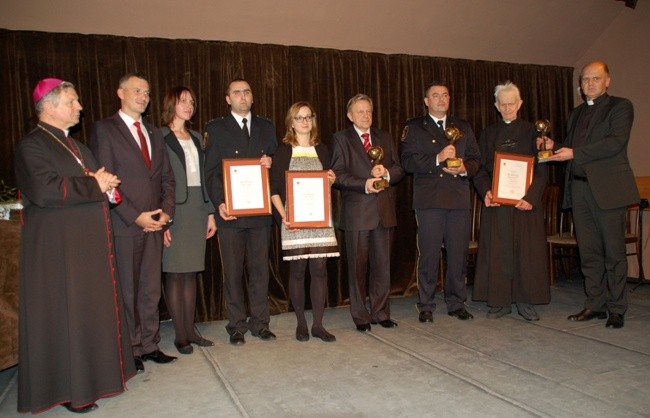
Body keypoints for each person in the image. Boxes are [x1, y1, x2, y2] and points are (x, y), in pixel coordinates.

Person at [15, 78, 135, 413]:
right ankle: (70, 390)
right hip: (59, 252)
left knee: (87, 315)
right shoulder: (32, 146)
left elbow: (98, 183)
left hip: (87, 248)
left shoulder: (78, 147)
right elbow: (46, 190)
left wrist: (109, 188)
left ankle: (98, 378)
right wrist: (95, 184)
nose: (79, 107)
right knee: (67, 317)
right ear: (49, 106)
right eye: (72, 101)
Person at [89, 73, 177, 371]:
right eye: (136, 90)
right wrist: (134, 215)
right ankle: (131, 349)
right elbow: (105, 181)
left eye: (147, 92)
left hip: (154, 223)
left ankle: (151, 344)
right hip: (125, 224)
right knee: (127, 289)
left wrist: (165, 213)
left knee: (150, 289)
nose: (143, 96)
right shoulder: (105, 130)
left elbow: (166, 178)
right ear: (120, 92)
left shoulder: (154, 133)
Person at [543, 61, 639, 329]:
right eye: (585, 80)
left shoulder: (621, 107)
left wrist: (572, 152)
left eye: (596, 78)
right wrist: (555, 146)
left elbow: (614, 143)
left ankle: (617, 308)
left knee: (613, 253)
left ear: (607, 81)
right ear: (580, 85)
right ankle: (595, 304)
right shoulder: (576, 114)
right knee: (589, 252)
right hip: (580, 189)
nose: (590, 84)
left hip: (608, 190)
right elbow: (573, 149)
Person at [400, 81, 480, 323]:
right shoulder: (414, 127)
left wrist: (465, 168)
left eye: (445, 95)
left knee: (458, 254)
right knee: (430, 254)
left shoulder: (463, 126)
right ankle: (426, 304)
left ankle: (457, 302)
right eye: (435, 96)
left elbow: (477, 159)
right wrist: (437, 157)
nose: (441, 99)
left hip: (458, 199)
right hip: (430, 200)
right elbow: (407, 162)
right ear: (426, 101)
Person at [204, 79, 278, 345]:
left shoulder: (266, 127)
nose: (242, 96)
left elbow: (276, 164)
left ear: (252, 96)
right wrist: (219, 203)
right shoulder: (215, 129)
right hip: (230, 214)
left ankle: (261, 323)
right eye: (237, 92)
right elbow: (211, 172)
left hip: (259, 213)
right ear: (228, 99)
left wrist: (271, 162)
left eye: (247, 91)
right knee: (233, 272)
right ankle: (236, 325)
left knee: (260, 270)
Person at [472, 81, 550, 320]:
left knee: (526, 252)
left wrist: (531, 197)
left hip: (525, 205)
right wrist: (486, 191)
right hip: (498, 204)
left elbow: (543, 168)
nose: (507, 108)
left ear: (520, 104)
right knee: (498, 252)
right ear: (496, 106)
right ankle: (500, 301)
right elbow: (480, 169)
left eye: (511, 103)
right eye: (502, 104)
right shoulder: (487, 134)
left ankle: (526, 301)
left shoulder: (534, 133)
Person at [331, 93, 405, 331]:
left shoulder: (384, 136)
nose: (365, 115)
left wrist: (386, 174)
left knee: (382, 266)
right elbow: (338, 174)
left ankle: (381, 313)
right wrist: (365, 183)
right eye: (360, 111)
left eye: (369, 111)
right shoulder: (340, 139)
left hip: (384, 212)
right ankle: (360, 316)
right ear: (350, 115)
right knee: (357, 269)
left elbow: (399, 169)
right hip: (357, 213)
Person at [269, 102, 339, 342]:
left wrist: (330, 178)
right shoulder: (283, 150)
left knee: (319, 270)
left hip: (319, 218)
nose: (305, 122)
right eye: (299, 118)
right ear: (291, 122)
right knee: (298, 271)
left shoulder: (323, 149)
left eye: (308, 117)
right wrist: (284, 217)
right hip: (293, 220)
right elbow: (274, 189)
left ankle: (318, 324)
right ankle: (301, 323)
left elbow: (325, 183)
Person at [160, 86, 217, 354]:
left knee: (191, 272)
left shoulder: (196, 137)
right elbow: (157, 180)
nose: (188, 105)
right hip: (174, 210)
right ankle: (179, 334)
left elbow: (204, 178)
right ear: (171, 103)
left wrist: (210, 211)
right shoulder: (159, 136)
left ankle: (191, 329)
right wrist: (163, 220)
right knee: (174, 273)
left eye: (191, 102)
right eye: (183, 101)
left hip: (196, 208)